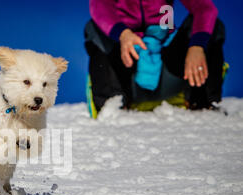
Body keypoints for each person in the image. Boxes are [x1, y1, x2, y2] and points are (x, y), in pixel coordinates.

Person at [84, 0, 226, 117]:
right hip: (126, 70)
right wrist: (123, 34)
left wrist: (197, 46)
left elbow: (205, 8)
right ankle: (110, 107)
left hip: (168, 62)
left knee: (212, 25)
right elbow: (99, 7)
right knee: (94, 28)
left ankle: (204, 104)